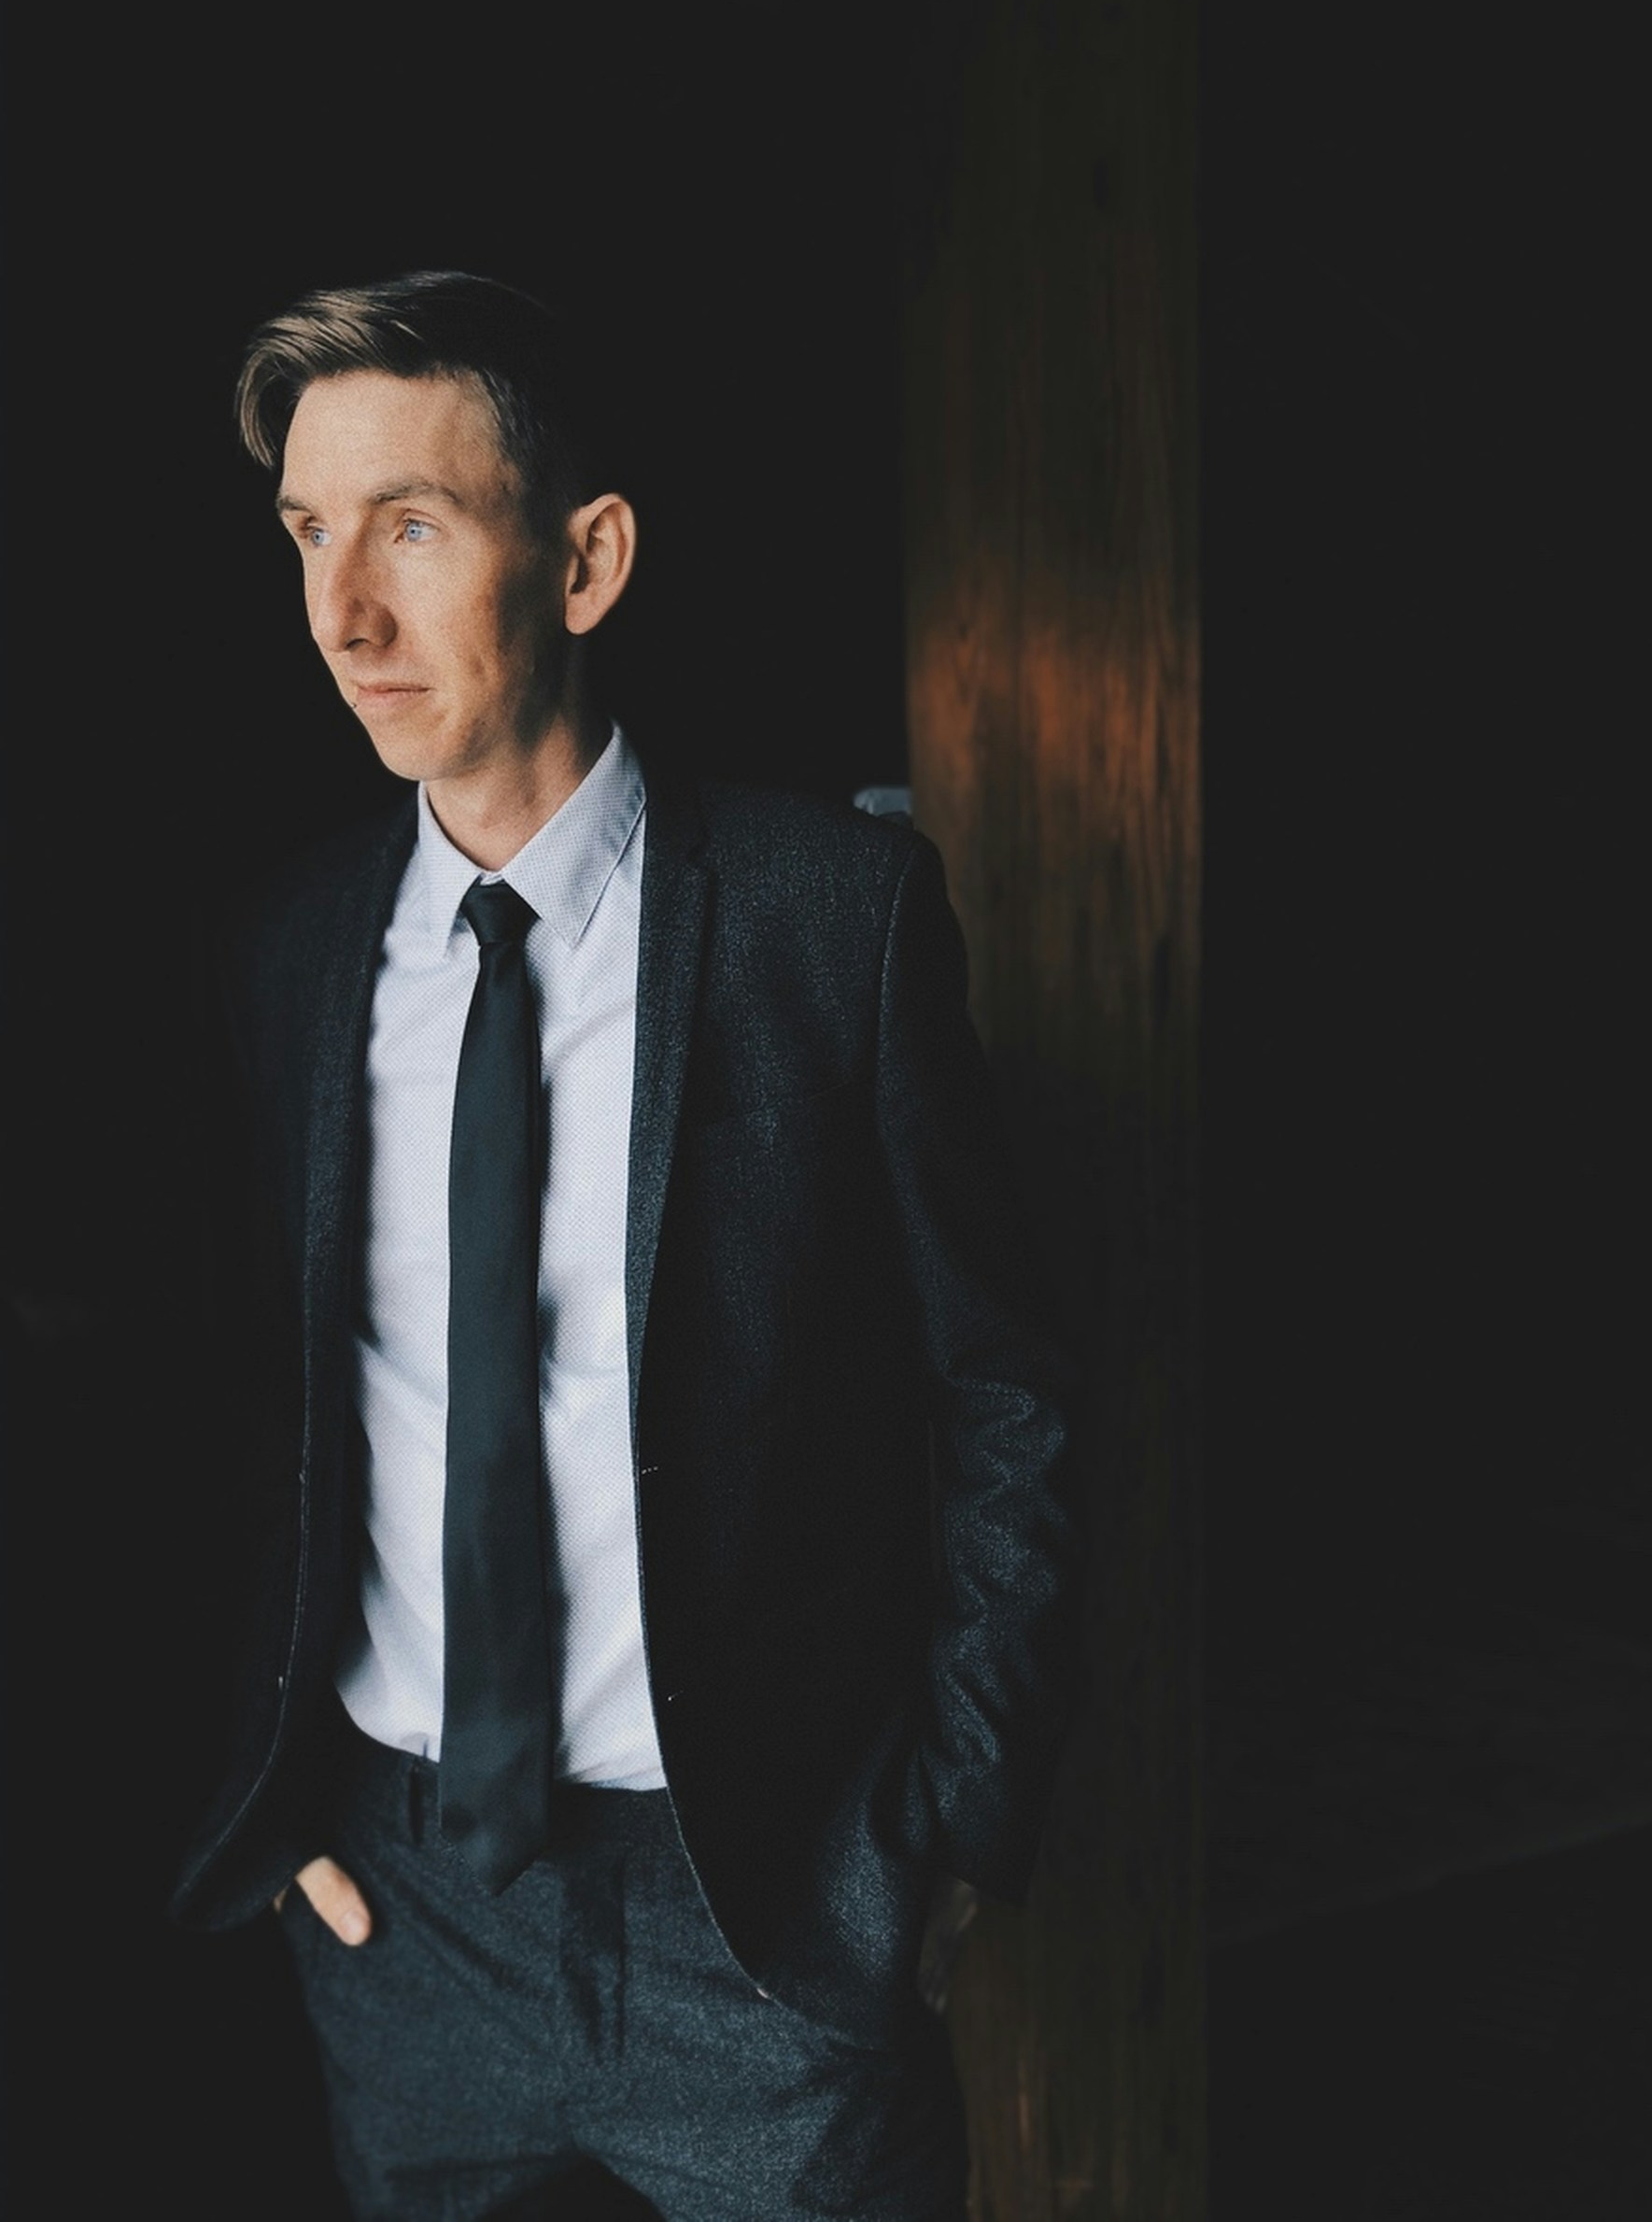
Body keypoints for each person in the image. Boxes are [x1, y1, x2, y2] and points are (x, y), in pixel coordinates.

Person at [168, 269, 1083, 2221]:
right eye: (308, 536)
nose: (342, 616)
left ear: (583, 561)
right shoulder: (289, 951)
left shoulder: (834, 916)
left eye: (409, 525)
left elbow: (1001, 1386)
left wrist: (950, 1823)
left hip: (763, 1907)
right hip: (399, 1910)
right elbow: (241, 1407)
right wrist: (277, 1813)